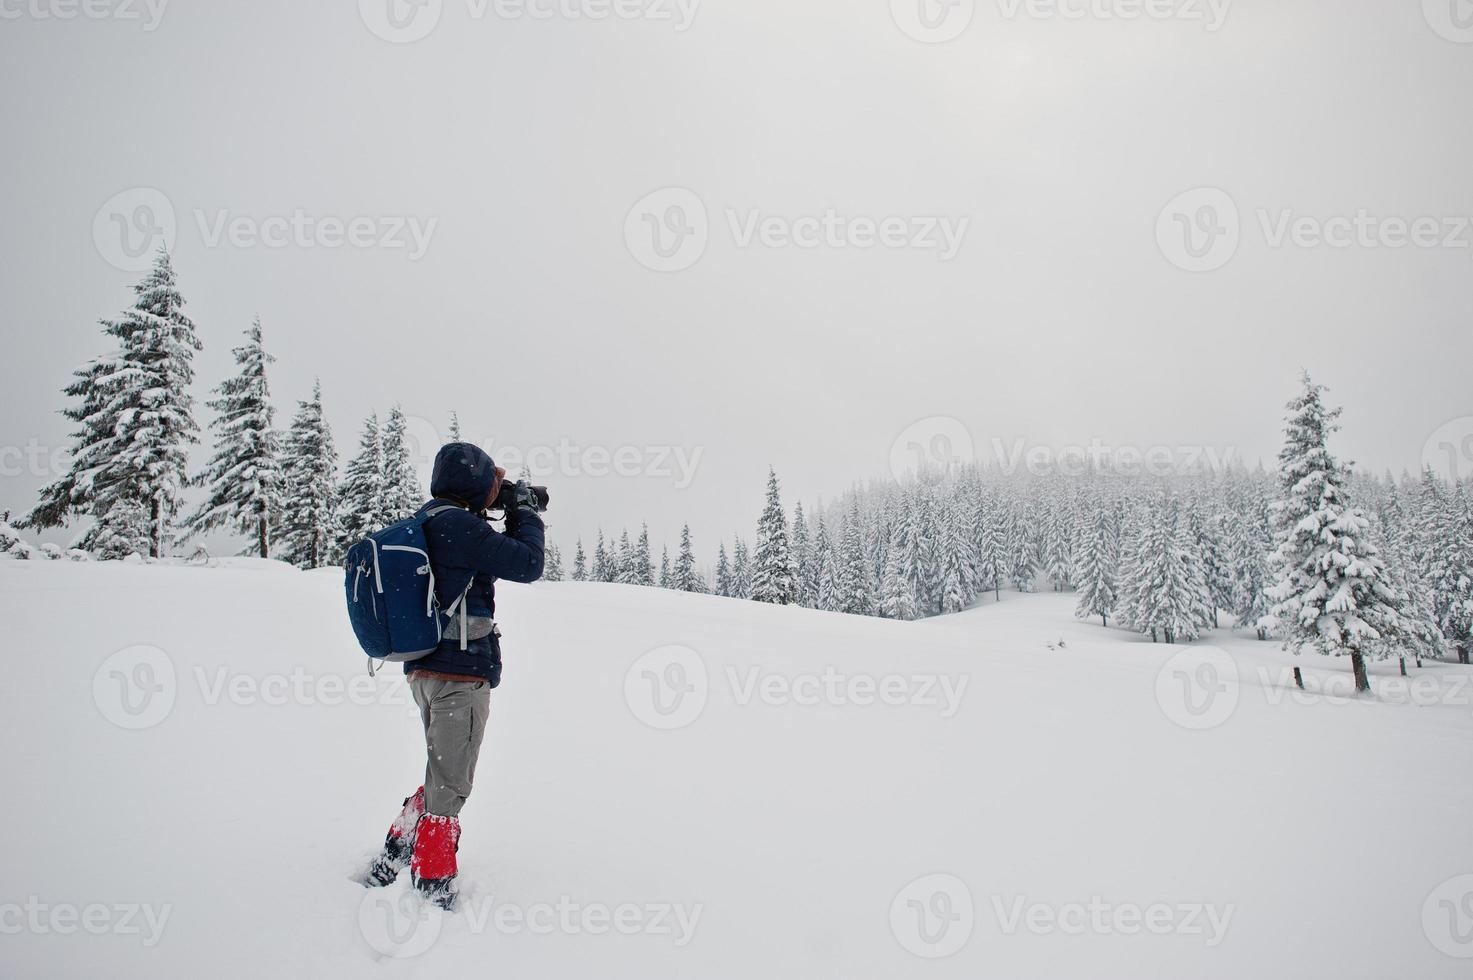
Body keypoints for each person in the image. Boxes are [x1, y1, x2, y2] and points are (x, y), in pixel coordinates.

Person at [362, 442, 545, 907]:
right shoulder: (458, 527)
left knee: (443, 770)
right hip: (458, 676)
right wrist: (524, 511)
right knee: (453, 784)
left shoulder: (431, 520)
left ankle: (398, 849)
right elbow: (529, 563)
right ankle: (433, 882)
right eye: (492, 484)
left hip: (427, 672)